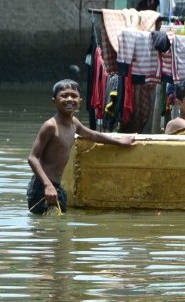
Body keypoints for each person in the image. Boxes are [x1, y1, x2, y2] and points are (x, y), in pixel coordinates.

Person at [28, 79, 136, 214]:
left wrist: (119, 141)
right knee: (44, 230)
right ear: (54, 101)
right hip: (42, 187)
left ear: (80, 101)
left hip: (56, 187)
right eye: (64, 95)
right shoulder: (50, 126)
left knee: (59, 229)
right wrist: (47, 185)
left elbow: (92, 135)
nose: (69, 99)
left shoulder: (73, 123)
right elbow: (32, 158)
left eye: (74, 96)